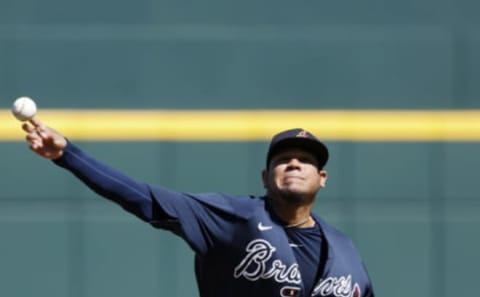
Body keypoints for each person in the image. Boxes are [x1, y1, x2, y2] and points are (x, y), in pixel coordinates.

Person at [21, 117, 375, 297]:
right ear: (266, 176)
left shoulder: (345, 252)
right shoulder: (232, 218)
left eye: (305, 160)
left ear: (322, 178)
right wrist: (68, 155)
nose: (295, 164)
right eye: (284, 159)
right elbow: (141, 197)